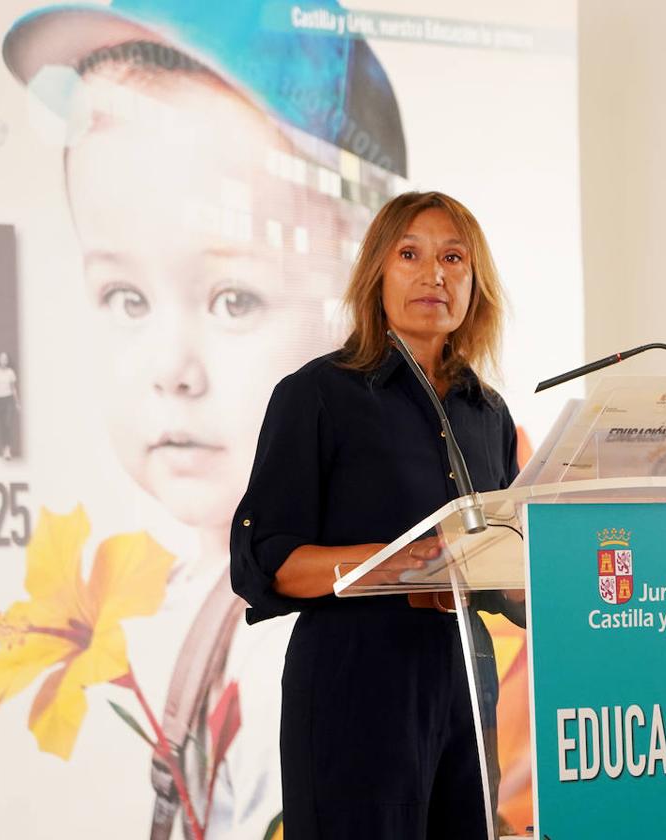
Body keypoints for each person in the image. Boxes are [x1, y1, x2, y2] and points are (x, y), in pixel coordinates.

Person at [1, 1, 407, 836]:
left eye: (233, 298)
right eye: (125, 296)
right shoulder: (187, 590)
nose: (170, 370)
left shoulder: (299, 652)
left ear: (361, 309)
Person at [231, 190, 522, 839]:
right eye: (410, 254)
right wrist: (398, 567)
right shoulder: (316, 396)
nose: (434, 275)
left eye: (454, 257)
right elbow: (265, 561)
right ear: (376, 274)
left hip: (466, 697)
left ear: (475, 283)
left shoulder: (488, 414)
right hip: (355, 693)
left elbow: (503, 577)